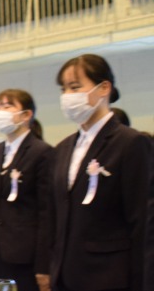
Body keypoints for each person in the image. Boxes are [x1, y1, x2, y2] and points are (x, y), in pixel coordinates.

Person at [51, 54, 152, 291]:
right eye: (64, 89)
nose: (67, 96)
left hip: (109, 275)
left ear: (104, 88)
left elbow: (143, 221)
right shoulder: (63, 148)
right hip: (67, 274)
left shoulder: (130, 142)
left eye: (75, 87)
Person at [0, 89, 53, 291]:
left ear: (26, 115)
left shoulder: (42, 152)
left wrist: (44, 265)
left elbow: (46, 213)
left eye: (8, 106)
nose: (0, 111)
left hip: (25, 254)